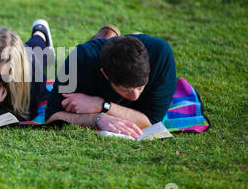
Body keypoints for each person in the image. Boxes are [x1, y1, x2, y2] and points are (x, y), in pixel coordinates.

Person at [45, 25, 177, 139]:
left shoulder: (161, 55)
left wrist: (101, 105)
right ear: (104, 74)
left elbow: (151, 121)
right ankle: (106, 37)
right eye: (125, 89)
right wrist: (98, 120)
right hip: (90, 60)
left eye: (141, 87)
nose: (135, 96)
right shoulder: (79, 60)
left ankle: (110, 37)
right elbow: (52, 116)